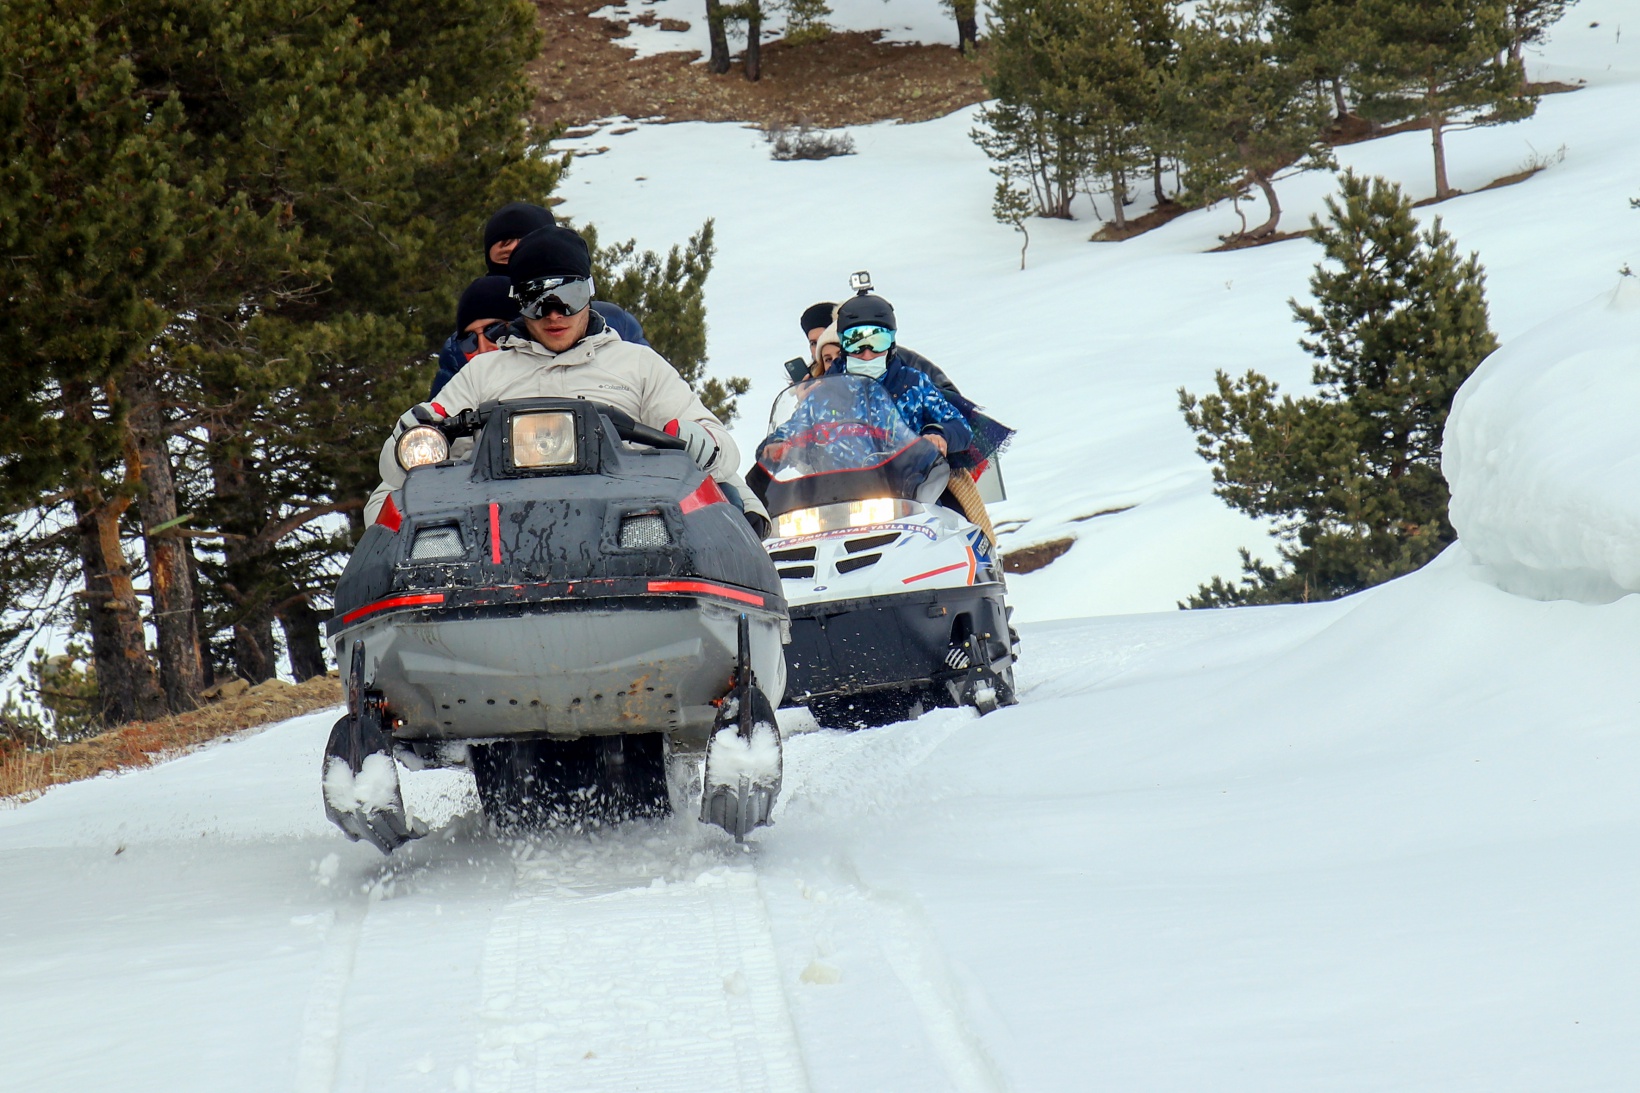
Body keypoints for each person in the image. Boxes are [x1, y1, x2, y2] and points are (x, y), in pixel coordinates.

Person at [368, 225, 768, 535]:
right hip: (498, 535)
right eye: (536, 300)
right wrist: (412, 439)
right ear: (518, 304)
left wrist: (700, 440)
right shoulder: (483, 375)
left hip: (632, 529)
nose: (554, 314)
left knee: (722, 496)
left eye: (568, 295)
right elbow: (399, 468)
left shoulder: (638, 366)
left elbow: (721, 450)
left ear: (590, 292)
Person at [479, 202, 650, 348]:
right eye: (507, 258)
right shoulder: (476, 335)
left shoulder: (613, 322)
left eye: (530, 255)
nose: (552, 314)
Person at [430, 276, 519, 399]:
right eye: (469, 340)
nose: (483, 348)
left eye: (494, 332)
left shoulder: (552, 370)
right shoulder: (449, 388)